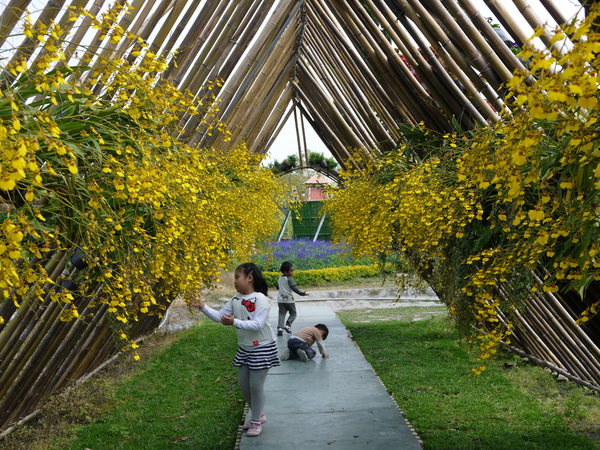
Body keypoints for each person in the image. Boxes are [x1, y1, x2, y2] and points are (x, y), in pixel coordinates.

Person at [191, 262, 279, 437]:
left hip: (262, 346)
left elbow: (257, 324)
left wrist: (234, 322)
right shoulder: (235, 299)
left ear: (250, 278)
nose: (235, 281)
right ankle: (258, 414)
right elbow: (219, 317)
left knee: (255, 385)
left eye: (237, 277)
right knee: (243, 384)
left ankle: (255, 420)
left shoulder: (261, 299)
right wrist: (202, 307)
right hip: (245, 348)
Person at [276, 261, 308, 336]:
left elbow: (277, 287)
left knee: (281, 314)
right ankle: (288, 325)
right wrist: (301, 293)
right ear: (285, 272)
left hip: (280, 300)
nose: (293, 272)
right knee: (293, 313)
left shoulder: (280, 278)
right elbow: (294, 287)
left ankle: (280, 328)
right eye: (291, 270)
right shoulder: (289, 278)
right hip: (289, 300)